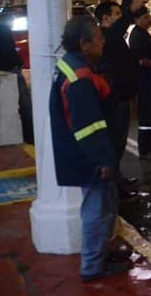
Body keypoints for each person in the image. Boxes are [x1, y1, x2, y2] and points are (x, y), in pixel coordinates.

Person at [49, 15, 128, 281]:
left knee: (103, 206)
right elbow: (88, 127)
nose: (102, 41)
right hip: (90, 159)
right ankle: (92, 266)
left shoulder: (76, 66)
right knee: (95, 210)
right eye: (97, 37)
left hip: (89, 154)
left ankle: (100, 254)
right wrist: (103, 161)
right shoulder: (80, 77)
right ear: (84, 44)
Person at [93, 0, 146, 201]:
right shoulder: (105, 37)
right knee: (114, 143)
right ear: (105, 19)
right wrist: (128, 6)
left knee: (119, 142)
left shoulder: (111, 36)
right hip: (114, 100)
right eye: (115, 15)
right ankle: (114, 186)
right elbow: (119, 28)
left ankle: (118, 178)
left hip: (122, 96)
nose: (120, 18)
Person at [0, 19, 34, 144]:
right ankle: (30, 134)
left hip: (0, 68)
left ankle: (27, 134)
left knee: (19, 103)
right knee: (23, 103)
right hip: (9, 67)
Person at [127, 6, 151, 161]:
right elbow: (142, 60)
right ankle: (145, 149)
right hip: (144, 82)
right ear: (137, 19)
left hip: (150, 81)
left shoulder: (143, 33)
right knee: (146, 117)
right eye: (146, 18)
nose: (149, 20)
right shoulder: (137, 36)